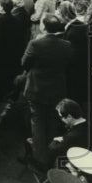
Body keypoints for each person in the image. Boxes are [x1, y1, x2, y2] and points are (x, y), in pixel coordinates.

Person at [22, 15, 73, 167]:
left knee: (37, 121)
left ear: (44, 27)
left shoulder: (36, 43)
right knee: (52, 118)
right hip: (56, 87)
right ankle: (50, 152)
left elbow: (25, 63)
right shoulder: (66, 45)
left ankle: (39, 158)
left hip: (37, 87)